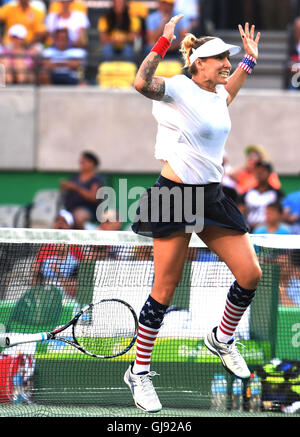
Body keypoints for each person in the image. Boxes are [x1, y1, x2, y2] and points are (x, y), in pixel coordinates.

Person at [123, 16, 262, 413]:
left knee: (250, 274)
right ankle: (140, 372)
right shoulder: (178, 88)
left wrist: (248, 63)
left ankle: (221, 338)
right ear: (198, 62)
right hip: (174, 196)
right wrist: (162, 43)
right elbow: (139, 83)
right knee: (164, 290)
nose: (225, 64)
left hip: (211, 197)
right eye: (220, 58)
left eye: (227, 59)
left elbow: (228, 94)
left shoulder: (218, 95)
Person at [60, 151, 104, 230]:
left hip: (89, 209)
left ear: (92, 163)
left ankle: (85, 240)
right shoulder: (75, 177)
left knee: (78, 217)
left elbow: (93, 197)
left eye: (84, 162)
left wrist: (76, 188)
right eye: (81, 162)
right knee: (60, 219)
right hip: (70, 208)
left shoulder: (96, 179)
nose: (81, 164)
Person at [239, 161, 284, 232]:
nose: (259, 173)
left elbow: (280, 213)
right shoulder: (247, 193)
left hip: (269, 231)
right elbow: (240, 212)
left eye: (263, 171)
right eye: (257, 171)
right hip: (248, 229)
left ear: (269, 173)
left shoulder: (277, 193)